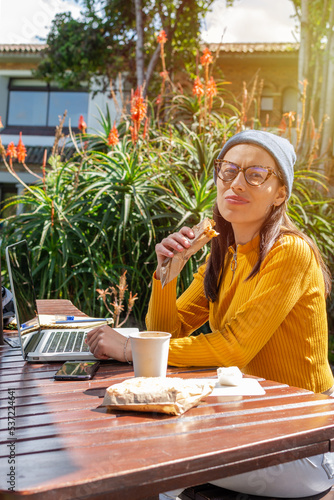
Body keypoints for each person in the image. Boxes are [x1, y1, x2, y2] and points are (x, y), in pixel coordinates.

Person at [87, 130, 334, 497]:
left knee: (149, 454)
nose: (236, 182)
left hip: (303, 438)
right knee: (147, 442)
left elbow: (233, 348)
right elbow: (166, 331)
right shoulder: (223, 253)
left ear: (280, 192)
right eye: (228, 169)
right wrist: (167, 274)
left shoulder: (290, 253)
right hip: (250, 417)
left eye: (255, 174)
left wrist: (129, 348)